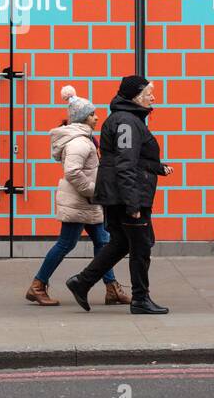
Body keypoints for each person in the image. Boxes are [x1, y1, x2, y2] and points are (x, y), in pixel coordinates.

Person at [66, 75, 174, 315]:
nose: (153, 97)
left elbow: (129, 160)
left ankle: (82, 282)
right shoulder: (126, 122)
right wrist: (132, 202)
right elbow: (125, 165)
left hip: (117, 194)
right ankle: (140, 299)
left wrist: (158, 167)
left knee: (121, 243)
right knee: (141, 245)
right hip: (126, 195)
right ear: (136, 96)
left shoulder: (126, 120)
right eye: (149, 93)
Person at [26, 85, 131, 307]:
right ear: (83, 118)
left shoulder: (85, 138)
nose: (97, 117)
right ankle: (37, 285)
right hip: (81, 202)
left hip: (87, 203)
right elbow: (73, 172)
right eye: (92, 114)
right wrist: (94, 190)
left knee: (103, 243)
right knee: (66, 243)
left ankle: (111, 288)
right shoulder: (79, 142)